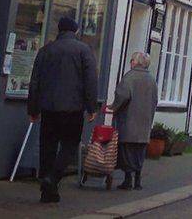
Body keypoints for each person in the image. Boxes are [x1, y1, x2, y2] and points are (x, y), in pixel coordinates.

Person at [28, 16, 98, 204]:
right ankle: (53, 178)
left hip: (49, 107)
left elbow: (34, 81)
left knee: (48, 145)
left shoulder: (45, 50)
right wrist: (92, 106)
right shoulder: (84, 50)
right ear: (75, 31)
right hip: (73, 108)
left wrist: (33, 109)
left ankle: (48, 191)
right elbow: (90, 80)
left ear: (59, 31)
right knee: (69, 144)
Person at [106, 52, 158, 190]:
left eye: (132, 60)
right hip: (144, 122)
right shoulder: (151, 80)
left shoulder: (130, 77)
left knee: (127, 150)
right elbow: (154, 100)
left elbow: (122, 95)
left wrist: (114, 106)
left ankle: (128, 180)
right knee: (139, 151)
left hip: (129, 121)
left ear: (136, 62)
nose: (130, 62)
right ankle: (138, 181)